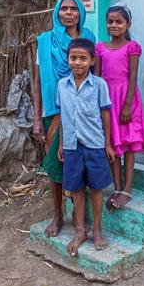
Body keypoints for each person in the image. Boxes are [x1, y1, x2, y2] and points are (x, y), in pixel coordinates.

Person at [32, 0, 96, 238]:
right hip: (53, 111)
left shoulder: (89, 38)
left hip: (83, 112)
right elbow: (38, 80)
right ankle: (58, 215)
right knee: (54, 164)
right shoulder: (46, 41)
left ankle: (82, 217)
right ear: (57, 13)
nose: (68, 13)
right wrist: (37, 117)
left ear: (80, 13)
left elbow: (95, 76)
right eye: (63, 9)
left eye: (73, 9)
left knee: (82, 163)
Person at [54, 38, 115, 255]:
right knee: (77, 190)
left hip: (94, 144)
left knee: (96, 189)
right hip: (71, 145)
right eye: (73, 58)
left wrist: (107, 143)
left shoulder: (99, 85)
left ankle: (97, 229)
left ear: (91, 61)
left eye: (82, 58)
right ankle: (80, 230)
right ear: (68, 59)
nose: (77, 62)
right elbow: (63, 116)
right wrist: (62, 144)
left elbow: (106, 114)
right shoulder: (62, 85)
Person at [94, 2, 144, 210]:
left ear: (128, 24)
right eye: (110, 22)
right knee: (111, 143)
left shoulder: (132, 47)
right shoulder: (100, 48)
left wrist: (127, 105)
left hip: (127, 100)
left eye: (119, 22)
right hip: (107, 101)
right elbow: (97, 77)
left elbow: (133, 76)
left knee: (127, 145)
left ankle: (127, 188)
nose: (114, 25)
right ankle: (116, 187)